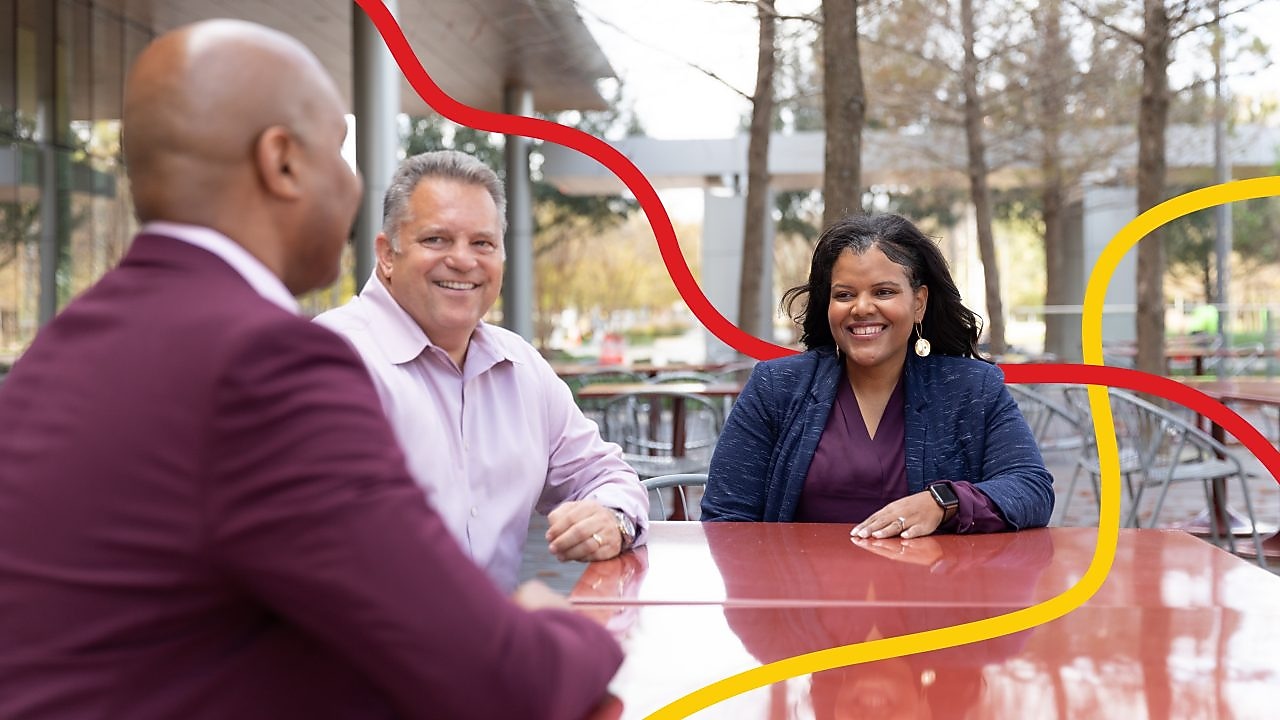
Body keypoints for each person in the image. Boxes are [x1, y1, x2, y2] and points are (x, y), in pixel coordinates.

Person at [0, 20, 620, 720]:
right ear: (282, 162)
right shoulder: (266, 364)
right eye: (340, 149)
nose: (353, 186)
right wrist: (564, 626)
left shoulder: (53, 355)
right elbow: (498, 677)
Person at [315, 150, 647, 592]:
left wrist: (611, 518)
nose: (463, 260)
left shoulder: (521, 366)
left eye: (482, 243)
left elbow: (606, 475)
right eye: (436, 239)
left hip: (489, 651)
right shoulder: (331, 359)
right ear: (386, 254)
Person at [701, 213, 1053, 536]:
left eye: (884, 292)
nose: (863, 308)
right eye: (844, 294)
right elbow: (726, 518)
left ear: (919, 303)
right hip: (803, 599)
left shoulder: (971, 388)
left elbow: (1031, 488)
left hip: (933, 594)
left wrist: (944, 501)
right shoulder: (775, 387)